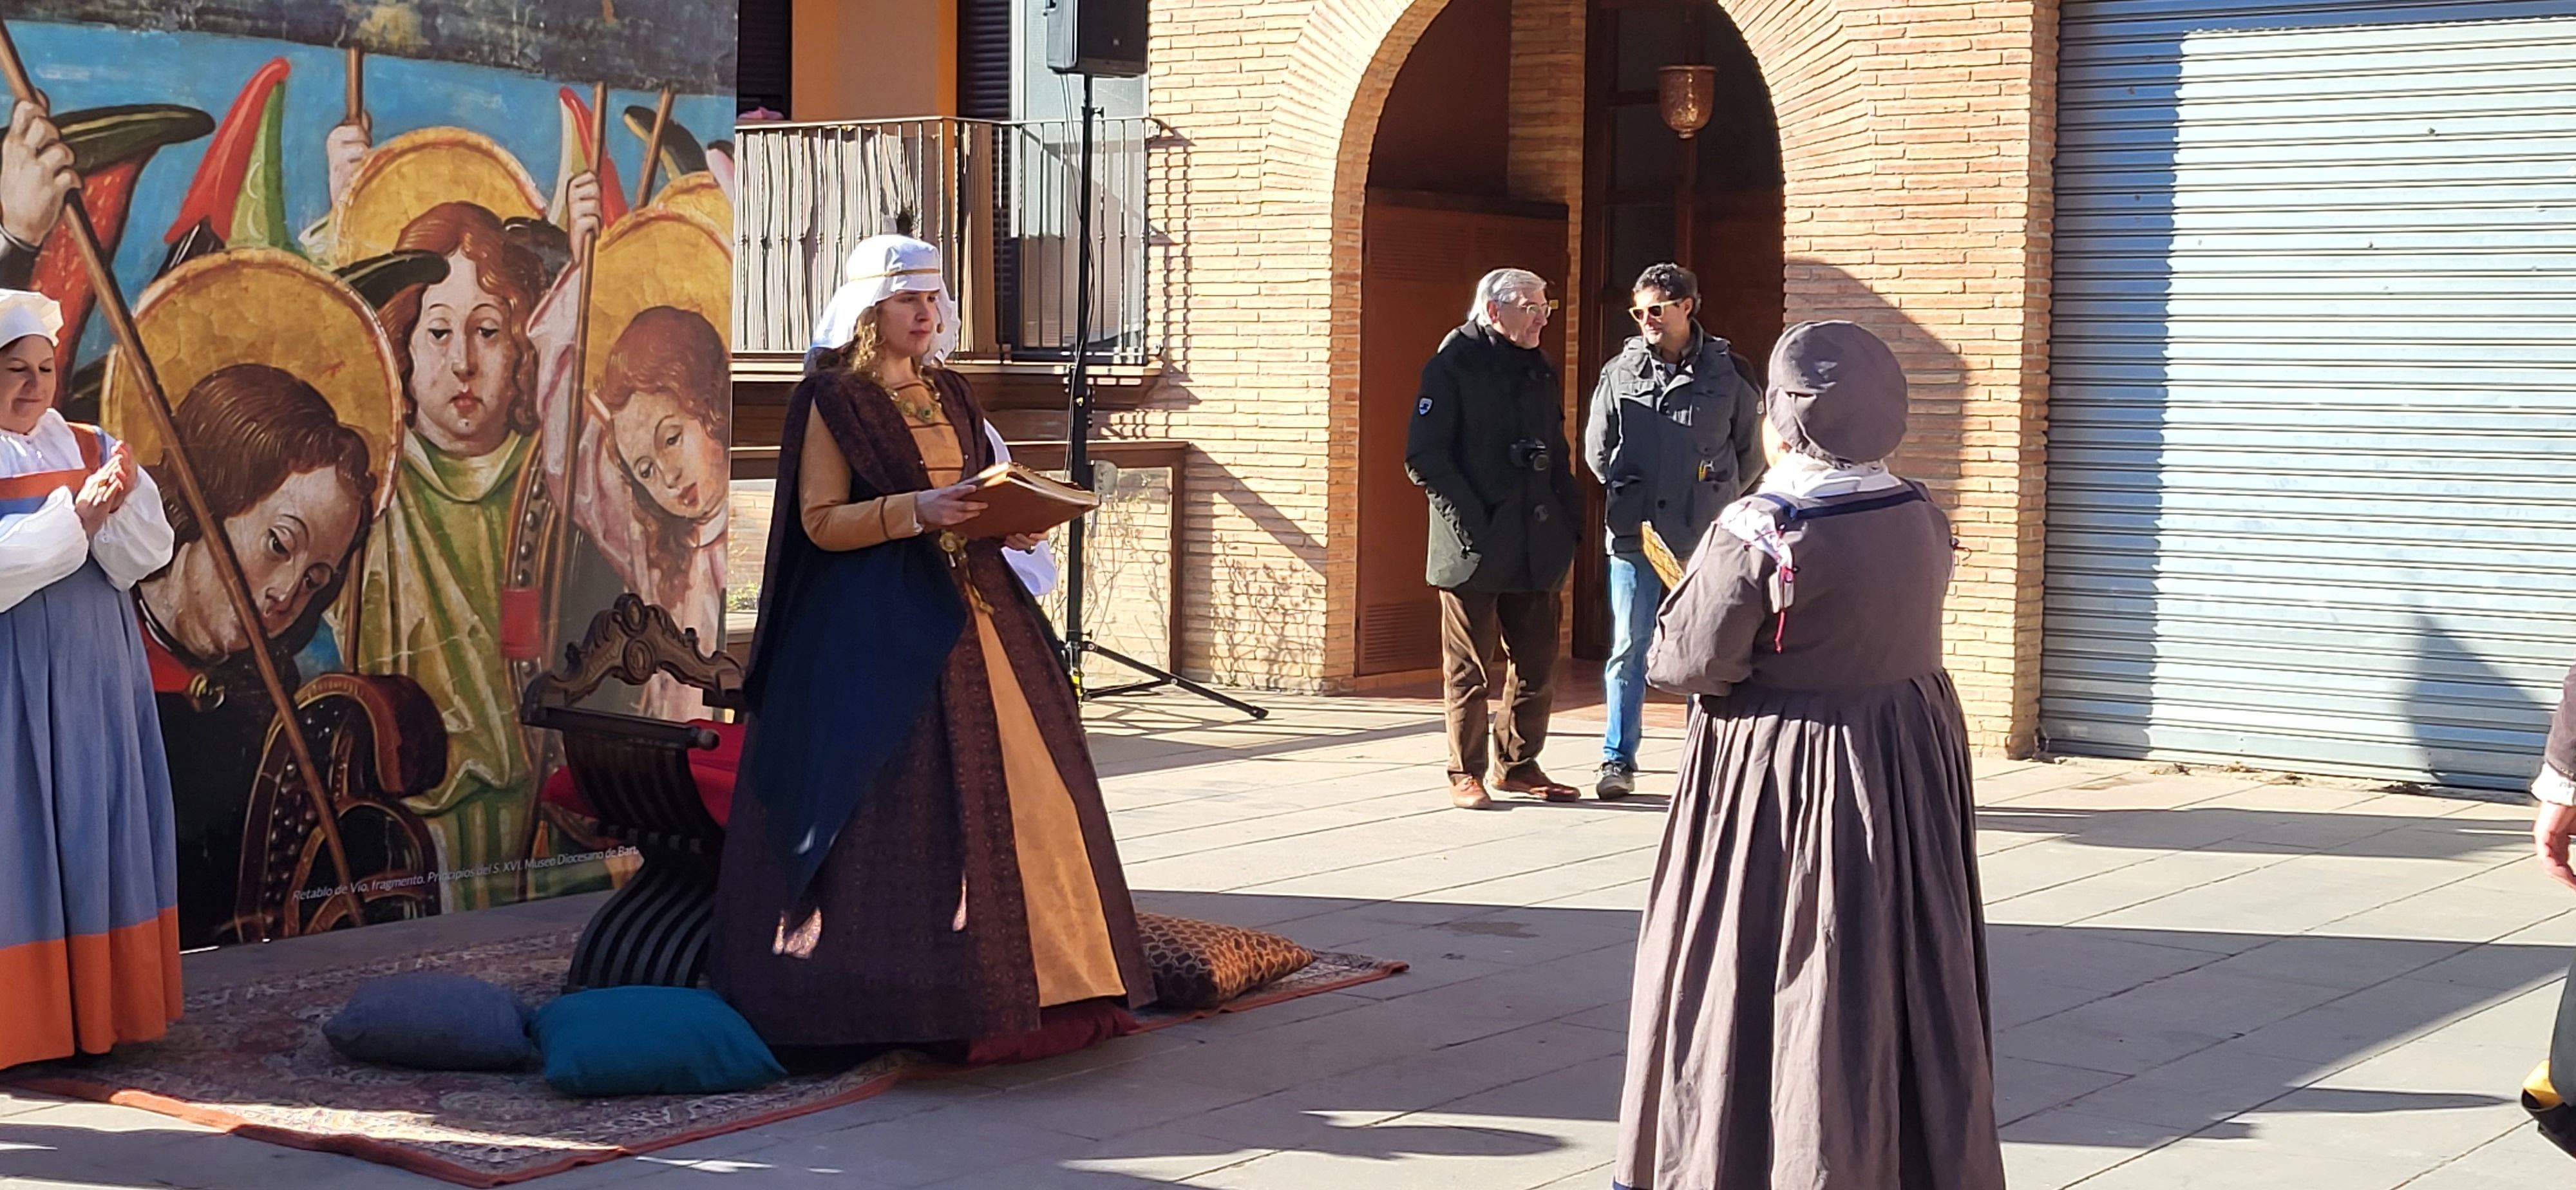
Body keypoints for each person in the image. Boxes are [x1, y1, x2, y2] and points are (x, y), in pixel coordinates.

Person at [712, 234, 1153, 1053]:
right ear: (869, 310)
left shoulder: (951, 389)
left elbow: (981, 484)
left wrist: (1012, 522)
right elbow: (819, 523)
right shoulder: (834, 400)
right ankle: (925, 995)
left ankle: (1064, 980)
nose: (927, 313)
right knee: (909, 808)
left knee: (1037, 791)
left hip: (982, 610)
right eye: (908, 300)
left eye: (933, 298)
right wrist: (914, 511)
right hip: (879, 626)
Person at [1617, 321, 2002, 1189]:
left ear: (1784, 421)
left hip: (1788, 772)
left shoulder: (1766, 527)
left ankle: (1771, 1159)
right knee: (1892, 962)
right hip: (1905, 767)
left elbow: (1687, 661)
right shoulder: (1918, 511)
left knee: (1783, 959)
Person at [0, 288, 183, 1068]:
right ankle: (25, 1022)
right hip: (12, 684)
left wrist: (111, 515)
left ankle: (103, 1011)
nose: (33, 385)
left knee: (93, 823)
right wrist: (74, 521)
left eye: (44, 369)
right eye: (15, 369)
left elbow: (147, 554)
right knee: (20, 837)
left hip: (97, 676)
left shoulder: (91, 443)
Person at [1582, 263, 1763, 800]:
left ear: (1687, 306)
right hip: (1636, 535)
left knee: (1699, 648)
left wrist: (1711, 495)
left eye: (1656, 309)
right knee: (1629, 647)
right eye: (1639, 312)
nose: (1647, 320)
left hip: (1701, 537)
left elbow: (1750, 453)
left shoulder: (1729, 371)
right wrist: (1630, 488)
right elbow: (1597, 451)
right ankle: (1617, 760)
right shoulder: (1620, 370)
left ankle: (1700, 763)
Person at [1406, 267, 1583, 810]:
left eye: (1545, 308)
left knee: (1538, 663)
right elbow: (1425, 457)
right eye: (1530, 308)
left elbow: (1556, 449)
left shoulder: (1539, 367)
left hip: (1537, 541)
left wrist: (1570, 518)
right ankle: (1466, 771)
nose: (1542, 319)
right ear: (1493, 310)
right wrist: (1472, 523)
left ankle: (1519, 764)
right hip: (1473, 547)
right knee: (1470, 669)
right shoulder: (1451, 365)